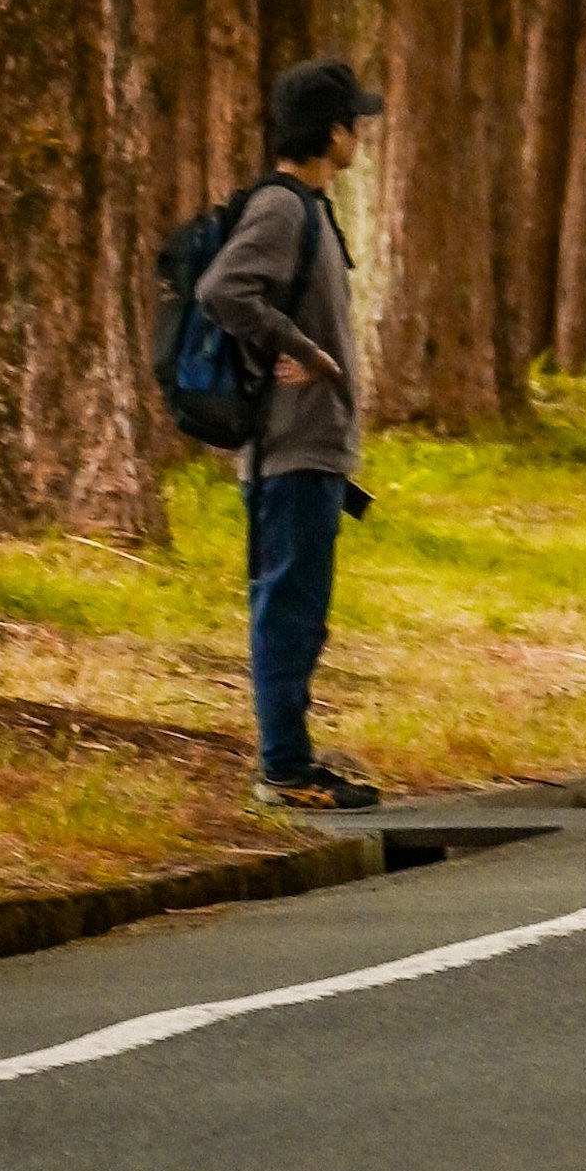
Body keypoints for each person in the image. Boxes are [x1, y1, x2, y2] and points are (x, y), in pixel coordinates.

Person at [198, 55, 386, 811]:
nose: (360, 137)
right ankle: (282, 769)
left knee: (301, 608)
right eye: (354, 124)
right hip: (289, 450)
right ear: (331, 131)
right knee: (287, 606)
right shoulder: (281, 208)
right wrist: (300, 351)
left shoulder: (308, 207)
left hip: (313, 451)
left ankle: (294, 756)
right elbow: (222, 292)